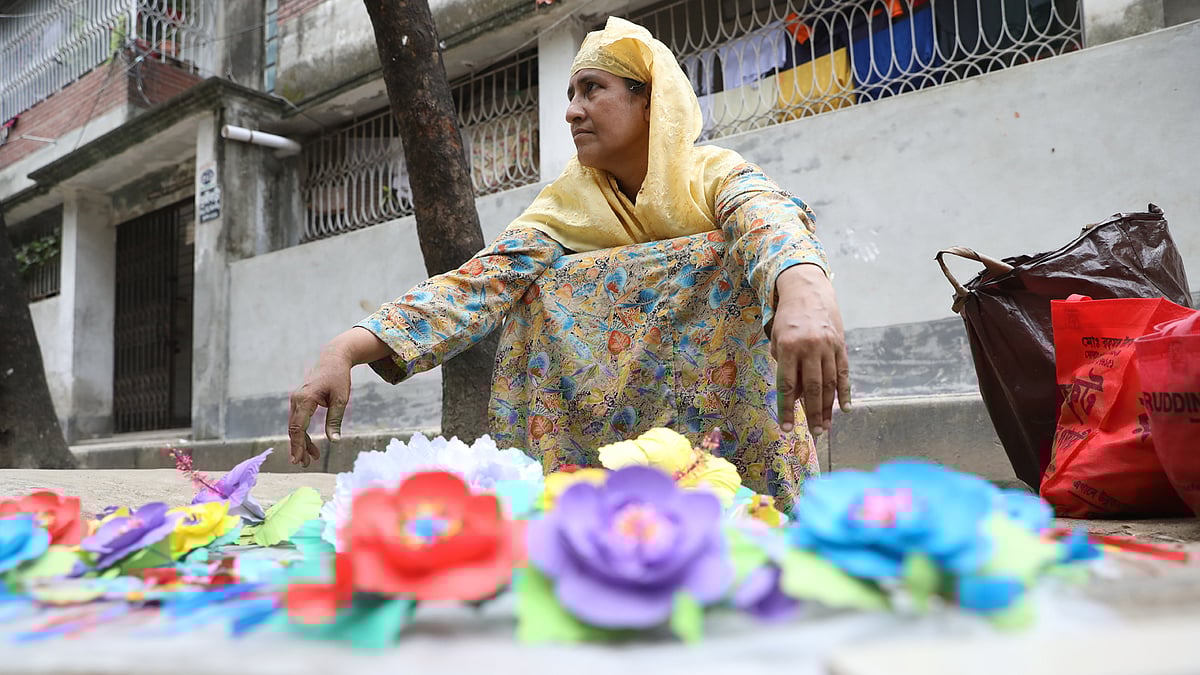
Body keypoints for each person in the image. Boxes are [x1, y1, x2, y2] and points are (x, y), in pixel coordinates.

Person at [288, 17, 851, 510]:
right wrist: (345, 349)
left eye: (592, 89)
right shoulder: (565, 204)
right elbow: (477, 285)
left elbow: (766, 215)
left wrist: (803, 291)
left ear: (648, 100)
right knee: (536, 283)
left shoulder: (712, 174)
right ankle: (574, 510)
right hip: (604, 440)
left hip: (726, 438)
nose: (571, 111)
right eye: (570, 93)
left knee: (732, 253)